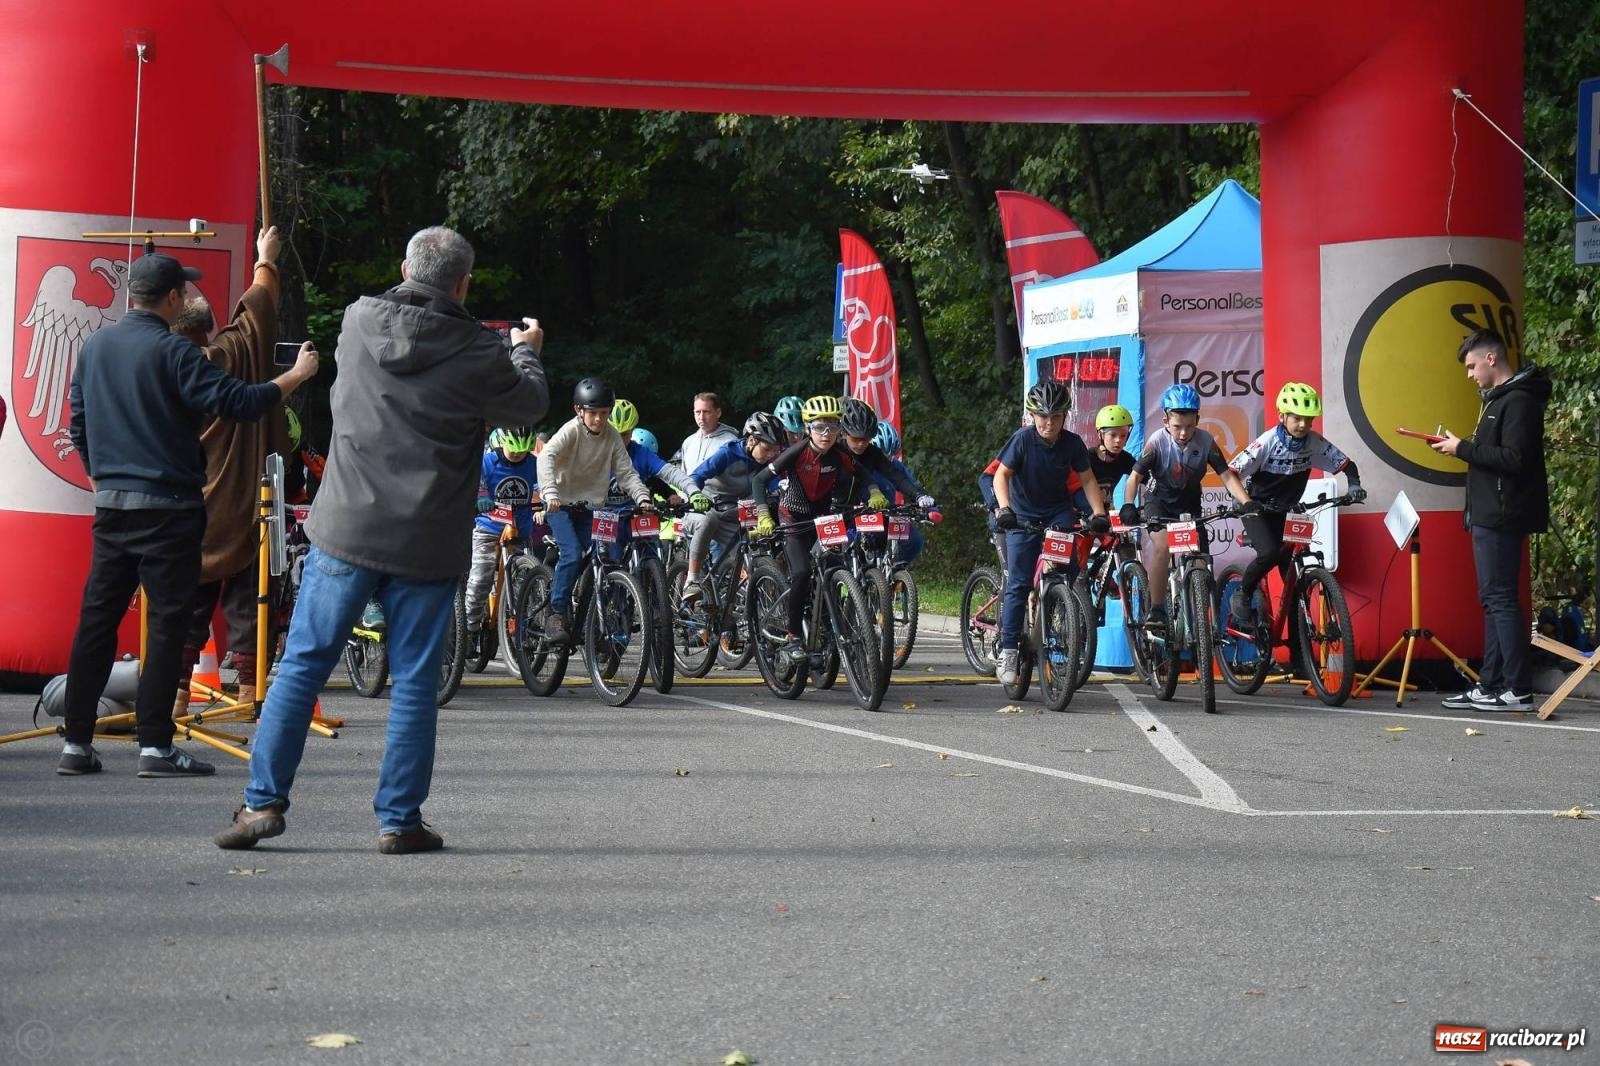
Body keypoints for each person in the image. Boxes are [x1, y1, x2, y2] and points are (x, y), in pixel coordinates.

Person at [213, 225, 548, 854]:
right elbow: (528, 406)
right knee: (416, 682)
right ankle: (399, 820)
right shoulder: (480, 352)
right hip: (427, 539)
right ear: (463, 284)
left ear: (403, 264)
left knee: (301, 667)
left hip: (346, 526)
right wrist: (526, 349)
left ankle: (261, 805)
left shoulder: (358, 322)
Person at [58, 250, 319, 779]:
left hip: (112, 508)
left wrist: (101, 479)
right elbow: (240, 402)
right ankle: (155, 748)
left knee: (96, 624)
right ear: (174, 299)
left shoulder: (95, 347)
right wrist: (295, 376)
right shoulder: (176, 353)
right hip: (171, 511)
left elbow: (78, 423)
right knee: (166, 627)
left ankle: (76, 744)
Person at [171, 225, 295, 714]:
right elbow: (257, 310)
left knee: (186, 603)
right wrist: (266, 259)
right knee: (249, 596)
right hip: (243, 498)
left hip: (188, 504)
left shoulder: (161, 364)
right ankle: (247, 691)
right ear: (209, 328)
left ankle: (176, 695)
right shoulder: (230, 355)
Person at [749, 395, 921, 663]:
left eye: (832, 427)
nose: (826, 434)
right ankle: (793, 637)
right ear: (808, 429)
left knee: (830, 571)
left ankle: (826, 632)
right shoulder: (797, 452)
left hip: (824, 518)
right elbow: (760, 480)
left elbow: (863, 474)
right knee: (803, 572)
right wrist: (763, 515)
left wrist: (874, 491)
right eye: (819, 427)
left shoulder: (840, 455)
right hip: (793, 518)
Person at [1433, 328, 1551, 712]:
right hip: (1488, 513)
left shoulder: (1518, 401)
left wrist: (1462, 448)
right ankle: (1491, 683)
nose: (1469, 375)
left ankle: (1517, 688)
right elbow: (1495, 454)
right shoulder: (1498, 399)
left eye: (1471, 366)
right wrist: (1462, 447)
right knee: (1492, 599)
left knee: (1500, 600)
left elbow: (1516, 459)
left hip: (1503, 514)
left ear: (1491, 359)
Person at [990, 382, 1111, 687]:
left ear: (1064, 416)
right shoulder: (1022, 440)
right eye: (1042, 416)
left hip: (1057, 511)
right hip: (1022, 515)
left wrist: (1098, 514)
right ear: (1032, 416)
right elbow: (1000, 475)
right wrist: (1004, 509)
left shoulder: (1071, 443)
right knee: (1017, 583)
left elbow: (1087, 479)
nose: (1049, 422)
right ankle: (1008, 651)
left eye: (1056, 416)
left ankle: (1061, 608)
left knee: (1069, 570)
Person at [1226, 383, 1365, 621]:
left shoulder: (1314, 442)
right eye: (1297, 418)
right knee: (1269, 554)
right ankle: (1243, 592)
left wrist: (1354, 486)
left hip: (1286, 510)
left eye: (1309, 419)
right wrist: (1245, 501)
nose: (1304, 425)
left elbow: (1347, 465)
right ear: (1282, 416)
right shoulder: (1266, 442)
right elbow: (1231, 473)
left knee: (1292, 576)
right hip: (1256, 508)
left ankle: (1297, 648)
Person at [535, 378, 654, 648]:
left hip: (592, 507)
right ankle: (556, 612)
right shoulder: (571, 430)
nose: (599, 419)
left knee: (606, 556)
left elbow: (626, 473)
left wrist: (642, 497)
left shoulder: (612, 435)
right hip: (560, 504)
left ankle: (597, 623)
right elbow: (546, 457)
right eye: (593, 413)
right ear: (579, 410)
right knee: (573, 552)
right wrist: (550, 493)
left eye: (604, 413)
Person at [1120, 383, 1251, 620]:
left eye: (1190, 426)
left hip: (1190, 504)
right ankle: (1157, 610)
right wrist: (1128, 504)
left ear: (1198, 420)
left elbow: (1227, 476)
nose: (1183, 433)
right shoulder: (1157, 441)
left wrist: (1245, 501)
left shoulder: (1206, 441)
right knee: (1162, 548)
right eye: (1177, 426)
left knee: (1200, 558)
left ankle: (1200, 617)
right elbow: (1134, 478)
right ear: (1165, 422)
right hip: (1158, 502)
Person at [680, 411, 788, 603]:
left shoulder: (766, 462)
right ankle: (692, 580)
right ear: (752, 440)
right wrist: (695, 496)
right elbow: (697, 476)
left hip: (736, 514)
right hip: (708, 507)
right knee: (707, 521)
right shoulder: (728, 453)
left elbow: (772, 485)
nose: (772, 454)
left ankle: (730, 618)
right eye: (768, 448)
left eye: (776, 450)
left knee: (738, 568)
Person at [463, 425, 540, 650]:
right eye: (512, 451)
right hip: (489, 528)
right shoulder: (487, 462)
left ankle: (524, 628)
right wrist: (481, 496)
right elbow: (476, 480)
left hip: (519, 531)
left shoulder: (532, 464)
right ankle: (470, 627)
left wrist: (548, 498)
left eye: (522, 452)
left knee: (526, 583)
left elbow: (544, 482)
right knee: (480, 580)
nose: (517, 456)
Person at [839, 401, 937, 566]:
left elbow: (897, 477)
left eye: (866, 439)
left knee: (912, 540)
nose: (861, 444)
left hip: (877, 513)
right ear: (843, 433)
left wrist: (919, 496)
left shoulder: (873, 453)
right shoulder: (836, 452)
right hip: (843, 511)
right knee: (840, 554)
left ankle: (892, 574)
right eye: (856, 439)